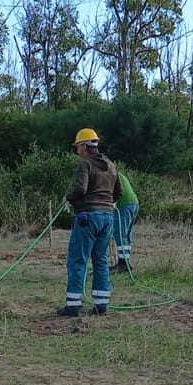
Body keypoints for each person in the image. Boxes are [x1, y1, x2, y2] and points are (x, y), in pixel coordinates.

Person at [59, 128, 122, 317]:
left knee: (78, 260)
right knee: (101, 260)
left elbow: (80, 188)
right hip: (107, 218)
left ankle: (73, 306)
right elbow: (119, 192)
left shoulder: (85, 164)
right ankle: (102, 305)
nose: (77, 151)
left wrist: (68, 199)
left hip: (88, 217)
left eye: (78, 147)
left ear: (85, 147)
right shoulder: (111, 166)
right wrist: (106, 204)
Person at [112, 169, 139, 274]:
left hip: (124, 204)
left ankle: (123, 263)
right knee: (127, 234)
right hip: (133, 202)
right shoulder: (117, 173)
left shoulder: (109, 173)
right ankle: (126, 261)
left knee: (120, 233)